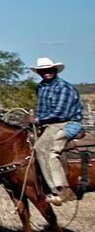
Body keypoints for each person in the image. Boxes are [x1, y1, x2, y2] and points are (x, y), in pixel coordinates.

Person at [27, 57, 84, 205]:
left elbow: (60, 113)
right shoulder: (41, 87)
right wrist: (36, 118)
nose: (46, 73)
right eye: (43, 71)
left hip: (66, 123)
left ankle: (62, 189)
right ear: (39, 72)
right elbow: (41, 108)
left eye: (49, 70)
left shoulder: (63, 87)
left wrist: (38, 120)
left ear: (55, 70)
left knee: (46, 149)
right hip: (49, 124)